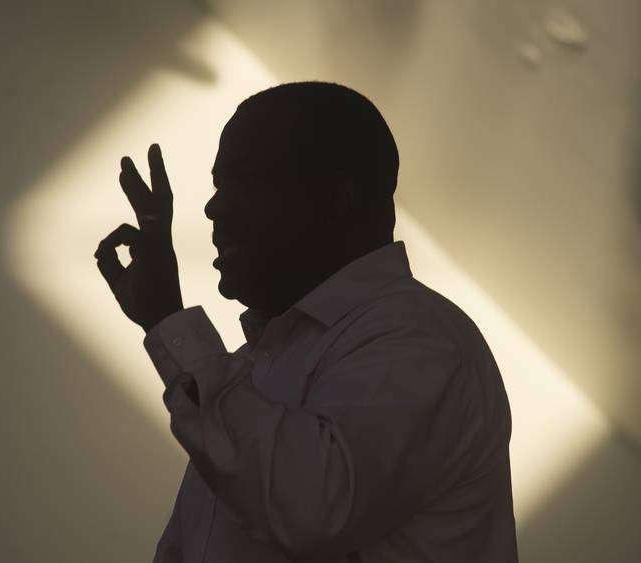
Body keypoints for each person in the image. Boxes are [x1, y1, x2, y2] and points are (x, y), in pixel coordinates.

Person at [94, 81, 519, 562]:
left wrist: (170, 321)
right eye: (218, 186)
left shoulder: (420, 338)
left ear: (340, 197)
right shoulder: (258, 365)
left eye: (246, 183)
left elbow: (310, 507)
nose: (214, 208)